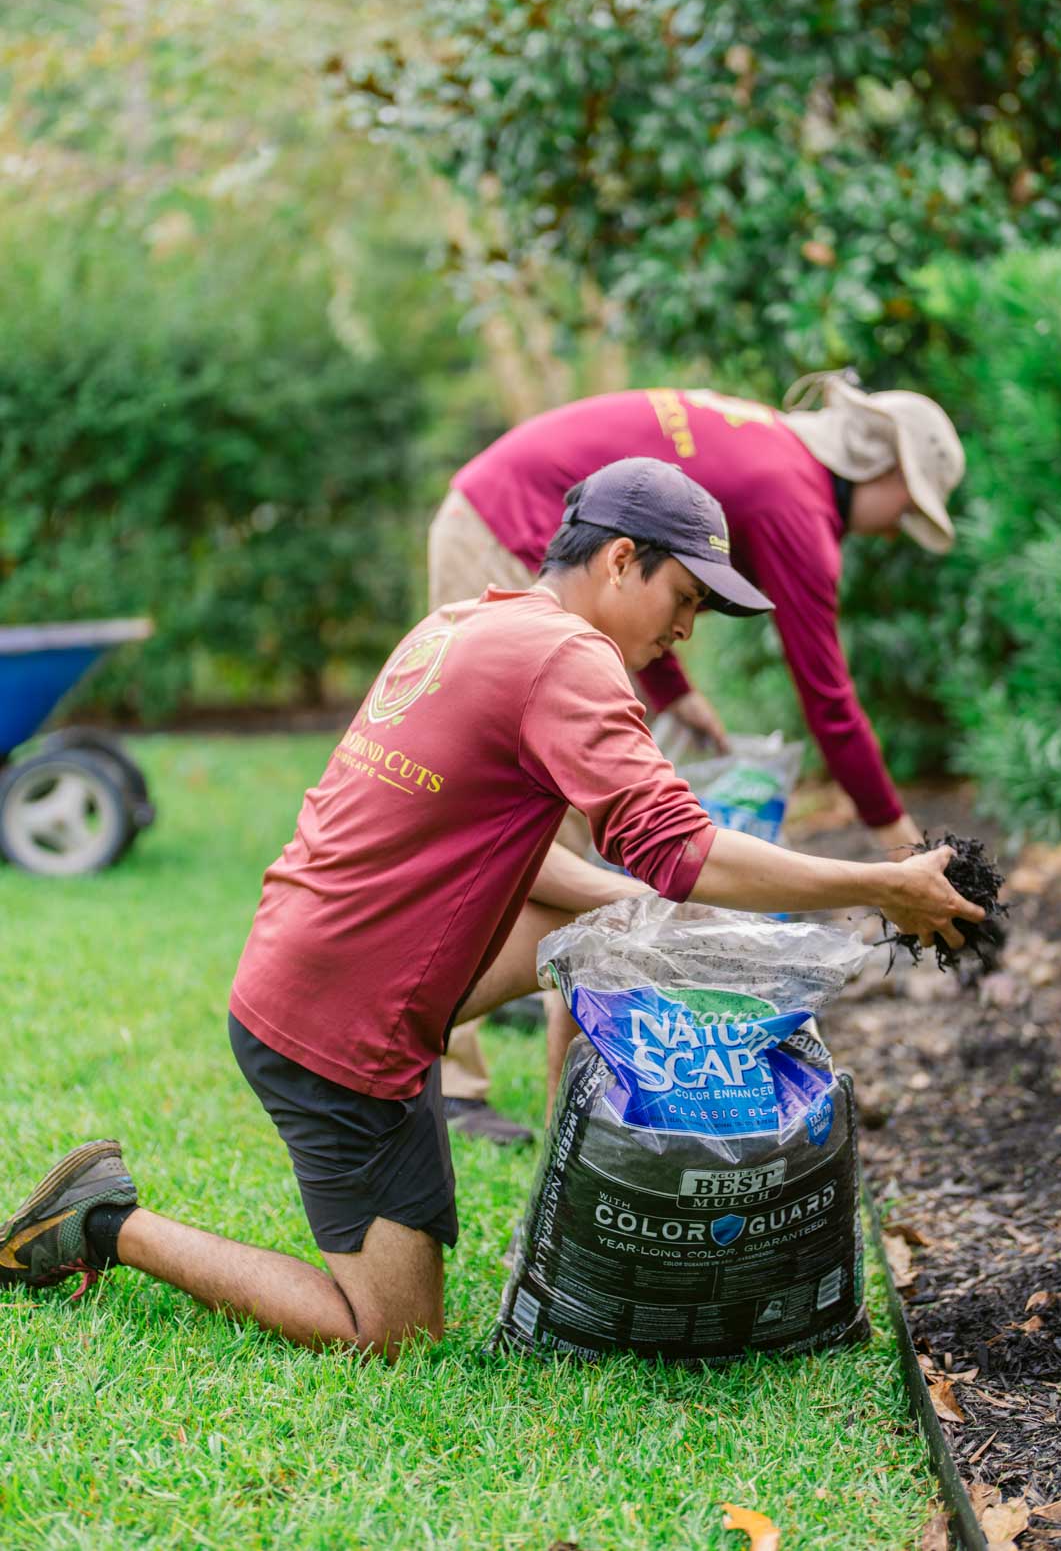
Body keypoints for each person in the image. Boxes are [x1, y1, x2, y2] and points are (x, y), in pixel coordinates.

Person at [1, 459, 983, 1362]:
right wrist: (880, 883)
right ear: (620, 559)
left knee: (611, 934)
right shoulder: (571, 662)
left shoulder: (468, 623)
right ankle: (102, 1222)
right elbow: (679, 849)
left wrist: (651, 911)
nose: (685, 631)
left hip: (311, 960)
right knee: (394, 1333)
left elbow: (532, 862)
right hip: (337, 1028)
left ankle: (580, 1186)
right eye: (684, 600)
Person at [437, 369, 966, 1137]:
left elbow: (647, 569)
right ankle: (459, 1076)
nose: (890, 529)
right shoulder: (798, 503)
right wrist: (899, 853)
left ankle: (565, 1074)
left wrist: (674, 688)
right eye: (903, 509)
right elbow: (827, 698)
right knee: (524, 817)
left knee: (569, 837)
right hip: (502, 524)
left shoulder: (769, 451)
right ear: (878, 469)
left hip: (503, 512)